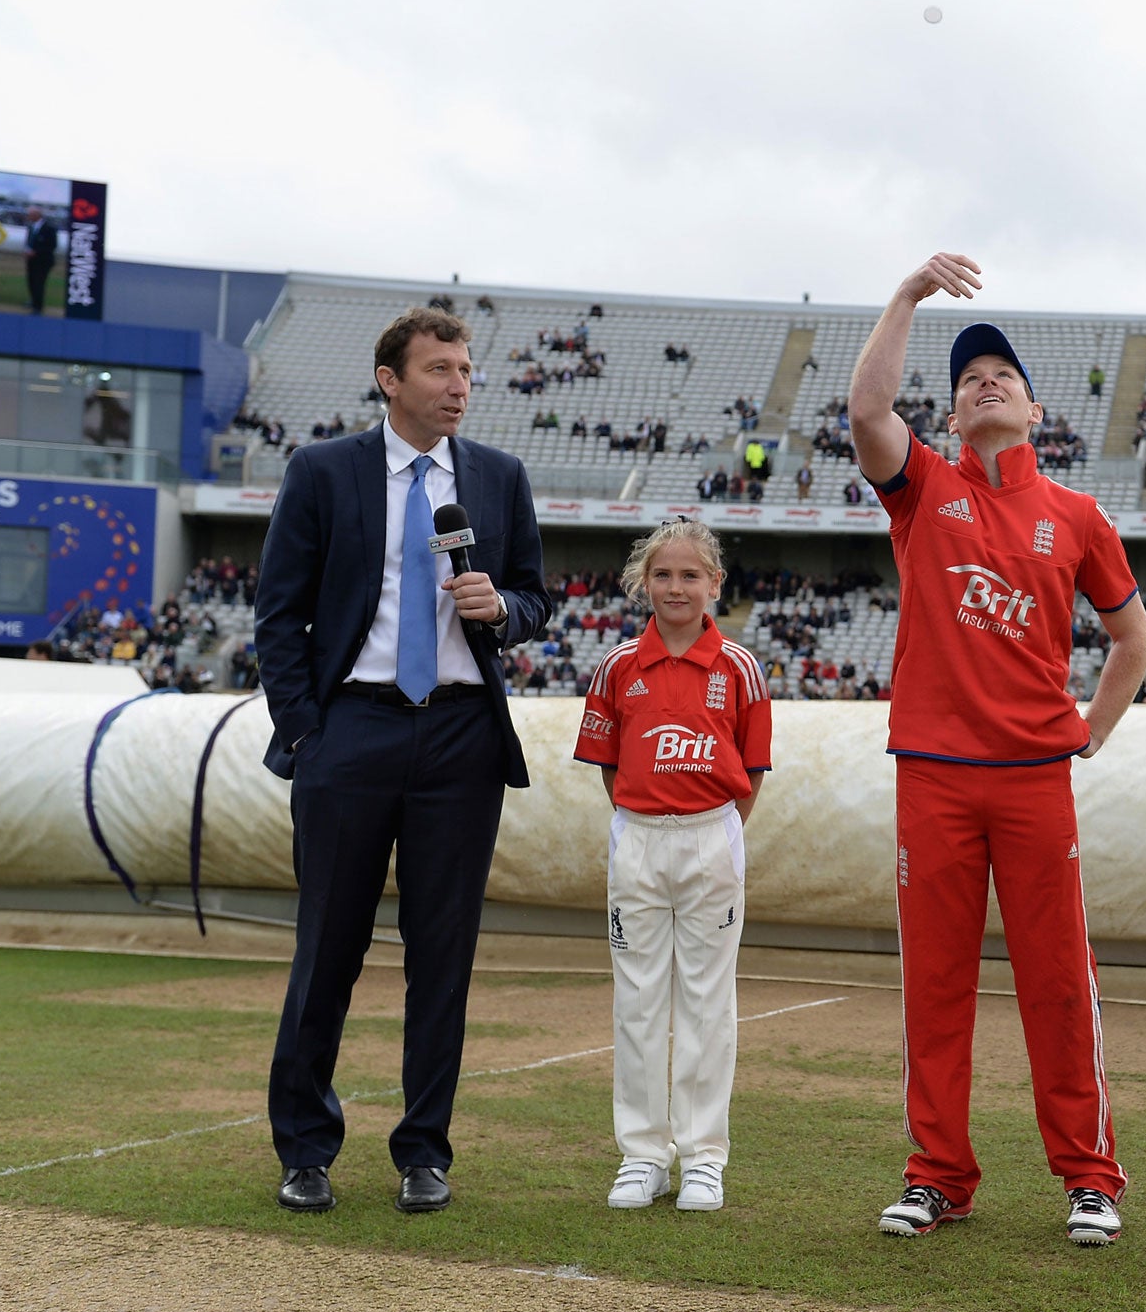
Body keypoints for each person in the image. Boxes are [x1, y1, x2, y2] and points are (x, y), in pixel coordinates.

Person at [850, 252, 1146, 1247]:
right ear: (949, 418)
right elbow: (864, 413)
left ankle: (1088, 1176)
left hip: (1032, 782)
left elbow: (1131, 640)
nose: (984, 382)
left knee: (1057, 983)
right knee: (933, 987)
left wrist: (1088, 732)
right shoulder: (922, 487)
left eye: (1004, 378)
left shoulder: (1073, 516)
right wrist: (905, 297)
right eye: (967, 380)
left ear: (1033, 414)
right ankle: (938, 1175)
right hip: (932, 779)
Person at [254, 306, 552, 1217]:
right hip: (352, 734)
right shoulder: (323, 472)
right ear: (391, 380)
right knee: (327, 952)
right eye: (439, 370)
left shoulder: (498, 478)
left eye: (466, 370)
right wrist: (310, 734)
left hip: (462, 737)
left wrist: (498, 607)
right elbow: (278, 615)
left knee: (444, 957)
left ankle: (424, 1151)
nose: (459, 385)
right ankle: (305, 1149)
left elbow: (538, 600)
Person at [573, 519, 771, 1213]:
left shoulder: (740, 668)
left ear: (715, 584)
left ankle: (703, 1158)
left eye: (691, 575)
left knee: (707, 1005)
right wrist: (645, 820)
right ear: (641, 583)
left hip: (711, 836)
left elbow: (753, 771)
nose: (677, 587)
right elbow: (606, 767)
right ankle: (643, 1155)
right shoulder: (617, 666)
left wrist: (706, 830)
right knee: (638, 1001)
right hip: (637, 841)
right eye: (664, 575)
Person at [23, 206, 58, 314]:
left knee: (39, 282)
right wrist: (27, 250)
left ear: (37, 215)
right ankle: (33, 300)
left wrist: (36, 252)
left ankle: (38, 306)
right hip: (32, 260)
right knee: (31, 281)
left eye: (30, 215)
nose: (28, 217)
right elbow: (29, 241)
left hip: (43, 261)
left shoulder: (49, 228)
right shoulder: (31, 227)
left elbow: (52, 245)